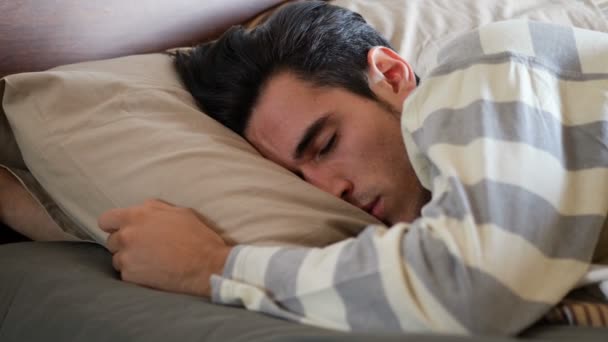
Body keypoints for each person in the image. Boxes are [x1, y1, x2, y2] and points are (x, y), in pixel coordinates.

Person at [95, 0, 608, 336]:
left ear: (390, 74)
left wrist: (211, 265)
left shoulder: (476, 68)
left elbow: (473, 286)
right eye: (298, 180)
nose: (328, 189)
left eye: (325, 144)